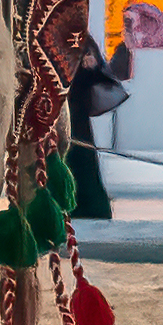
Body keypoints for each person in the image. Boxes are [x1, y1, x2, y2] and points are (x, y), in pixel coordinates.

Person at [67, 25, 125, 218]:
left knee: (81, 158)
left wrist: (90, 63)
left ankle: (84, 205)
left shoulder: (79, 36)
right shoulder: (65, 33)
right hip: (61, 109)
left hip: (76, 113)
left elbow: (95, 69)